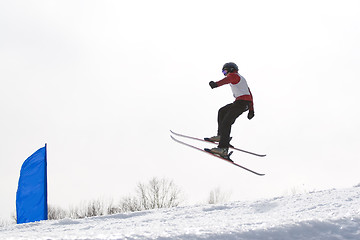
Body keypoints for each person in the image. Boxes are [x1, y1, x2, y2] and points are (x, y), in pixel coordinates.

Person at [206, 62, 255, 158]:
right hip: (240, 102)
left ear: (231, 69)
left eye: (225, 71)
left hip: (242, 103)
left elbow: (227, 79)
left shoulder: (234, 75)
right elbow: (250, 93)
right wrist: (251, 110)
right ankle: (222, 136)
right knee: (222, 111)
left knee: (226, 122)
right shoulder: (241, 79)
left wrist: (216, 84)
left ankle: (223, 149)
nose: (225, 73)